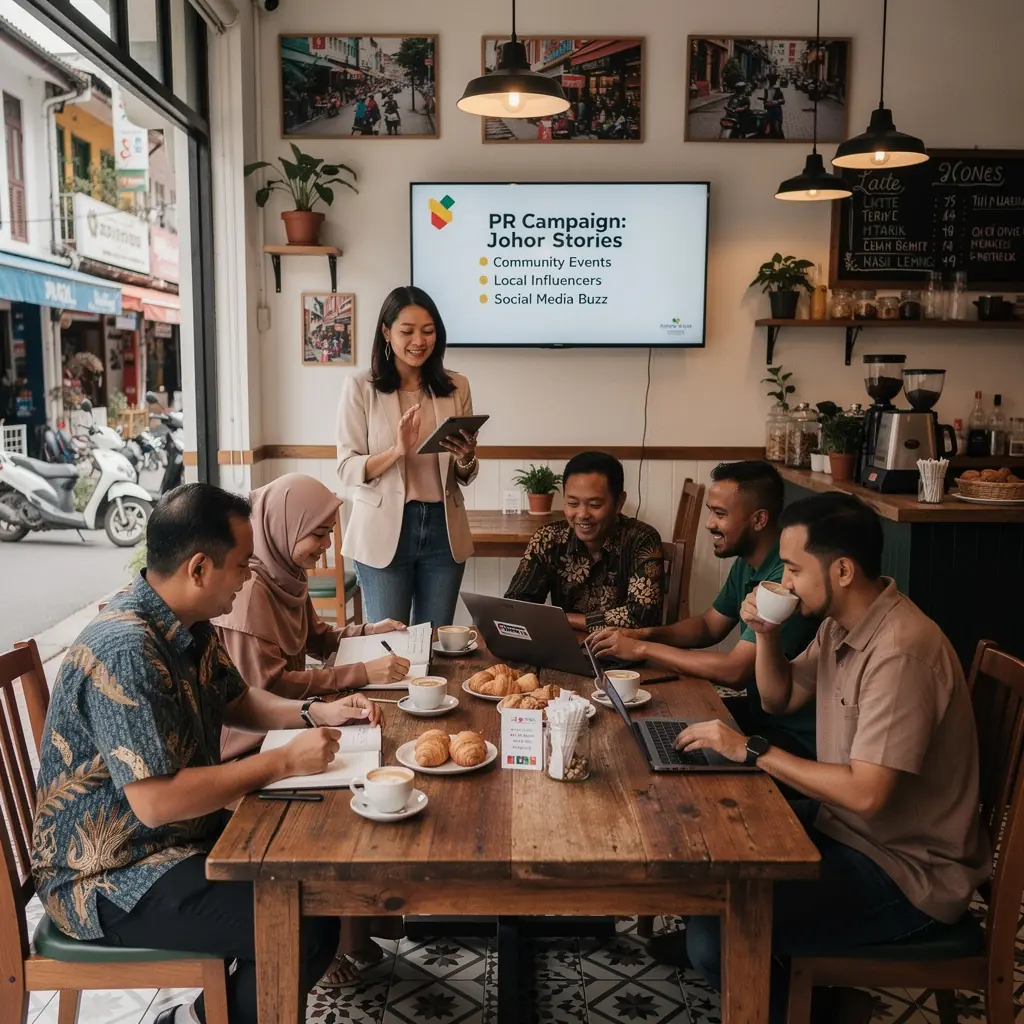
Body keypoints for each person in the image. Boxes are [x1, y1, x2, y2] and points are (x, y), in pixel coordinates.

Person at [31, 483, 385, 1024]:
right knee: (302, 926)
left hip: (171, 841)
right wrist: (283, 761)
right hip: (108, 875)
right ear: (199, 568)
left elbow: (238, 701)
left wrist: (315, 712)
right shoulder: (127, 649)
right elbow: (156, 803)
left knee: (315, 886)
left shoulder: (186, 623)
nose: (248, 576)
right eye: (243, 565)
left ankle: (204, 1016)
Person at [657, 493, 991, 1023]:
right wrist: (765, 634)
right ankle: (806, 990)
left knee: (715, 936)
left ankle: (813, 1005)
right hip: (848, 829)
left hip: (907, 869)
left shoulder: (900, 651)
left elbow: (867, 794)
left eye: (793, 569)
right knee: (708, 839)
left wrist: (751, 749)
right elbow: (779, 699)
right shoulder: (842, 623)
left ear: (842, 571)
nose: (785, 583)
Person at [589, 461, 819, 759]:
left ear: (759, 519)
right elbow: (709, 625)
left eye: (720, 514)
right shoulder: (750, 560)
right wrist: (643, 634)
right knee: (649, 731)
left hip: (793, 739)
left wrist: (642, 649)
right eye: (711, 511)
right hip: (760, 715)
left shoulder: (782, 582)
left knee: (655, 751)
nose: (709, 523)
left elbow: (735, 671)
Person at [213, 473, 409, 759]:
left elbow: (316, 638)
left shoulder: (285, 573)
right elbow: (271, 687)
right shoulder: (250, 590)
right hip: (254, 746)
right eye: (318, 534)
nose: (327, 544)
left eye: (329, 532)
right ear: (284, 527)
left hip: (292, 722)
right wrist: (362, 672)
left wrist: (368, 630)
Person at [336, 286, 478, 628]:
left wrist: (466, 458)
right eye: (407, 331)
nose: (419, 341)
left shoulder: (457, 386)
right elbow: (346, 468)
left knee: (434, 640)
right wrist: (396, 451)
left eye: (428, 331)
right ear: (387, 332)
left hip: (444, 529)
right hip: (382, 531)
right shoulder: (360, 386)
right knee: (390, 642)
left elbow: (463, 474)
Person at [505, 451, 664, 632]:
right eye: (573, 504)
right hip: (563, 645)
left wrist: (563, 619)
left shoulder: (642, 540)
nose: (582, 515)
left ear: (619, 502)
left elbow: (641, 616)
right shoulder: (548, 538)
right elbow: (516, 604)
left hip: (624, 648)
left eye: (595, 505)